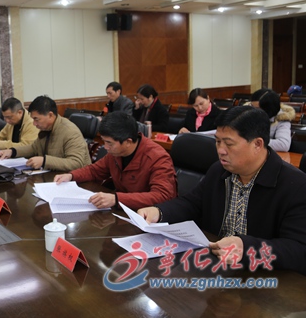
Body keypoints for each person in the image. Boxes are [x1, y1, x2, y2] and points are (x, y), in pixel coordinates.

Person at [138, 106, 306, 274]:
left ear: (257, 144)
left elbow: (298, 249)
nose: (220, 151)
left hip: (263, 275)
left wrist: (246, 247)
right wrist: (159, 212)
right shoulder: (219, 171)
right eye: (218, 141)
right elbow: (192, 203)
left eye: (229, 144)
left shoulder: (296, 185)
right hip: (214, 265)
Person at [54, 112, 176, 210]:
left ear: (128, 142)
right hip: (123, 211)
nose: (105, 147)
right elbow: (94, 171)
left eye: (109, 143)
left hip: (146, 217)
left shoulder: (157, 157)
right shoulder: (115, 153)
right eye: (104, 141)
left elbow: (162, 196)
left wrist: (117, 199)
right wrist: (71, 176)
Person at [0, 95, 91, 171]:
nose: (34, 124)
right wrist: (12, 151)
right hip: (56, 176)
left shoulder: (70, 132)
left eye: (36, 119)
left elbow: (76, 163)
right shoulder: (46, 128)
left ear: (50, 115)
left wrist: (44, 161)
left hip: (77, 181)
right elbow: (34, 148)